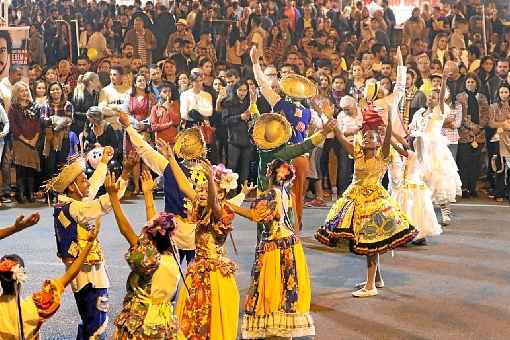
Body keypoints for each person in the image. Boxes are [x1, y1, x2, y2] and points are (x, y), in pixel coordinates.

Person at [315, 105, 417, 298]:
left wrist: (386, 127)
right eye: (365, 136)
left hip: (374, 202)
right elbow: (340, 135)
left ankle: (370, 286)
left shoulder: (383, 155)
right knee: (368, 240)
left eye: (371, 137)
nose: (367, 139)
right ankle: (376, 279)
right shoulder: (357, 153)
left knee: (370, 241)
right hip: (354, 199)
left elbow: (387, 141)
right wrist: (330, 118)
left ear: (378, 143)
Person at [43, 148, 134, 340]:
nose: (87, 182)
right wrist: (124, 176)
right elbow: (103, 203)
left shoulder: (69, 202)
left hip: (80, 271)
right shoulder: (76, 207)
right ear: (72, 187)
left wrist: (103, 163)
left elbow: (92, 186)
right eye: (83, 179)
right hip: (88, 274)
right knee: (96, 321)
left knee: (89, 317)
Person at [229, 159, 315, 339]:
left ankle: (276, 330)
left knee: (271, 289)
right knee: (286, 287)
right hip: (291, 245)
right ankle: (285, 331)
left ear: (270, 174)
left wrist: (230, 206)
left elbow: (255, 215)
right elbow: (291, 220)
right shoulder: (286, 193)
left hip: (274, 248)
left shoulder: (269, 194)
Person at [105, 170, 183, 339]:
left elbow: (126, 231)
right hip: (164, 321)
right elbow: (154, 226)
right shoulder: (173, 254)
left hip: (142, 321)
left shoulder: (149, 260)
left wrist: (113, 198)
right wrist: (148, 194)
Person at [0, 218, 101, 339]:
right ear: (22, 276)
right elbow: (69, 275)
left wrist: (13, 228)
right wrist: (89, 243)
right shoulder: (35, 306)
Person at [411, 72, 462, 225]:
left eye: (434, 97)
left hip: (435, 149)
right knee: (420, 180)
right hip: (420, 149)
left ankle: (445, 214)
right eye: (430, 96)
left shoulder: (438, 112)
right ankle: (422, 213)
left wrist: (444, 80)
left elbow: (440, 100)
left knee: (439, 180)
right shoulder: (420, 113)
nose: (431, 99)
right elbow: (413, 130)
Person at [456, 73, 490, 198]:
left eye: (473, 82)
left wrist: (479, 127)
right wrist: (471, 127)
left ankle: (472, 187)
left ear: (477, 84)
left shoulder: (482, 97)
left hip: (479, 134)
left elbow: (487, 114)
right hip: (465, 134)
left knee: (476, 163)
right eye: (468, 82)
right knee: (465, 163)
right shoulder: (460, 97)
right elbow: (460, 115)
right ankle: (464, 188)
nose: (470, 84)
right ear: (465, 84)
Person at [8, 81, 41, 204]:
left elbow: (38, 124)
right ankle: (20, 193)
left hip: (34, 140)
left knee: (31, 167)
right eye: (22, 91)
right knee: (21, 167)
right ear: (16, 93)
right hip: (19, 141)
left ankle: (30, 192)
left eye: (26, 90)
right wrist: (26, 140)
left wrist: (34, 140)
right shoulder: (13, 108)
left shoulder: (34, 106)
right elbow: (13, 127)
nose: (25, 93)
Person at [223, 79, 256, 187]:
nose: (242, 93)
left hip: (247, 141)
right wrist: (240, 117)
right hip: (234, 140)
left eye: (245, 90)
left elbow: (255, 118)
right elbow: (225, 121)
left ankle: (243, 191)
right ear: (235, 90)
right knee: (232, 167)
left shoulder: (250, 103)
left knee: (245, 168)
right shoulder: (229, 103)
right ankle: (228, 191)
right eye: (240, 90)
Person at [488, 83, 510, 202]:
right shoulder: (493, 106)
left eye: (506, 92)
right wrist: (504, 124)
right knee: (499, 166)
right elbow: (491, 123)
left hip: (509, 138)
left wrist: (505, 125)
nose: (504, 94)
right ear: (498, 93)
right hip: (498, 139)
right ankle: (499, 192)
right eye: (501, 92)